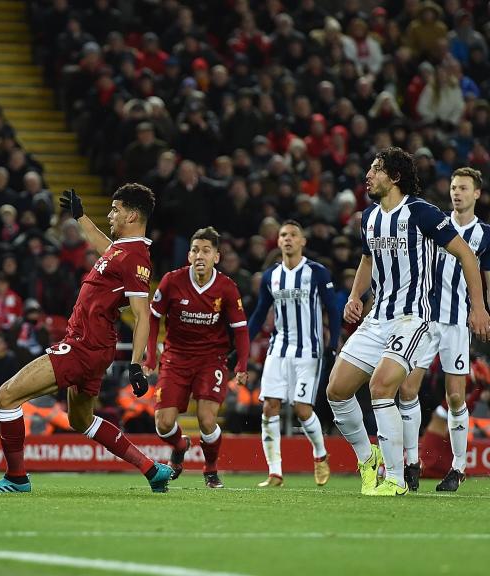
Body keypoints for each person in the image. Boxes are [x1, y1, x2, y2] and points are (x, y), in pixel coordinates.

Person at [0, 185, 173, 493]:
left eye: (115, 209)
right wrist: (81, 217)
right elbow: (105, 248)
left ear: (132, 214)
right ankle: (152, 470)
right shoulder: (122, 250)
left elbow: (143, 316)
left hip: (83, 346)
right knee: (81, 420)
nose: (110, 214)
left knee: (4, 397)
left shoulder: (135, 258)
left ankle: (16, 478)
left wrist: (136, 364)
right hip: (94, 347)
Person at [328, 148, 490, 497]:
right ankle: (366, 458)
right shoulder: (369, 218)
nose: (368, 175)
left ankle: (397, 478)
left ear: (395, 177)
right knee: (336, 391)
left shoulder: (422, 213)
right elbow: (367, 260)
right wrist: (356, 296)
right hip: (378, 317)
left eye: (376, 169)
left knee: (383, 387)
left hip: (413, 317)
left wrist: (478, 307)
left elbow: (466, 256)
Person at [397, 167, 490, 492]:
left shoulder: (484, 235)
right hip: (424, 320)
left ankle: (458, 467)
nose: (457, 192)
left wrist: (483, 312)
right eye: (453, 187)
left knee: (454, 396)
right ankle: (411, 462)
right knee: (407, 389)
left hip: (456, 323)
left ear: (476, 193)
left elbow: (487, 282)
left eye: (464, 188)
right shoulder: (435, 224)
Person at [144, 226, 250, 489]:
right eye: (195, 250)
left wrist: (242, 364)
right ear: (189, 255)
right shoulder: (171, 281)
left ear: (217, 256)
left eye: (206, 250)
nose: (199, 255)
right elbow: (153, 319)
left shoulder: (226, 287)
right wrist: (149, 357)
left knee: (206, 419)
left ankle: (211, 469)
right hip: (175, 358)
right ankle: (180, 447)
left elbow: (240, 329)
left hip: (210, 359)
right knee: (164, 424)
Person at [247, 220, 341, 487]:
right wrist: (241, 347)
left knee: (301, 409)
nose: (288, 239)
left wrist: (333, 344)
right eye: (283, 235)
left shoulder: (317, 272)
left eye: (293, 235)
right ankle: (275, 471)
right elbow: (258, 315)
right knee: (269, 406)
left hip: (309, 350)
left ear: (303, 242)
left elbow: (332, 310)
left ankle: (320, 454)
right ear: (277, 242)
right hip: (278, 349)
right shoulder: (270, 276)